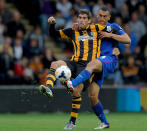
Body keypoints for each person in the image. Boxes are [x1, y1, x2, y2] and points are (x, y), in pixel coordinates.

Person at [39, 9, 120, 130]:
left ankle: (72, 122)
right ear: (77, 19)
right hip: (74, 62)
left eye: (84, 18)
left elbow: (115, 29)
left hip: (88, 67)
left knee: (76, 92)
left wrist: (116, 46)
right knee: (55, 64)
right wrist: (52, 24)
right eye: (80, 18)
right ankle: (49, 88)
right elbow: (54, 34)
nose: (81, 20)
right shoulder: (72, 30)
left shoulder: (96, 28)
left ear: (89, 20)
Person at [62, 7, 131, 129]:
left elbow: (127, 40)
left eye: (105, 16)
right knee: (93, 96)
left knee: (91, 65)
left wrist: (110, 35)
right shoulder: (91, 27)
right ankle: (105, 122)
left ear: (109, 17)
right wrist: (75, 26)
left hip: (108, 59)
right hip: (94, 66)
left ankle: (71, 83)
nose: (102, 18)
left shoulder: (112, 26)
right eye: (100, 15)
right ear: (96, 16)